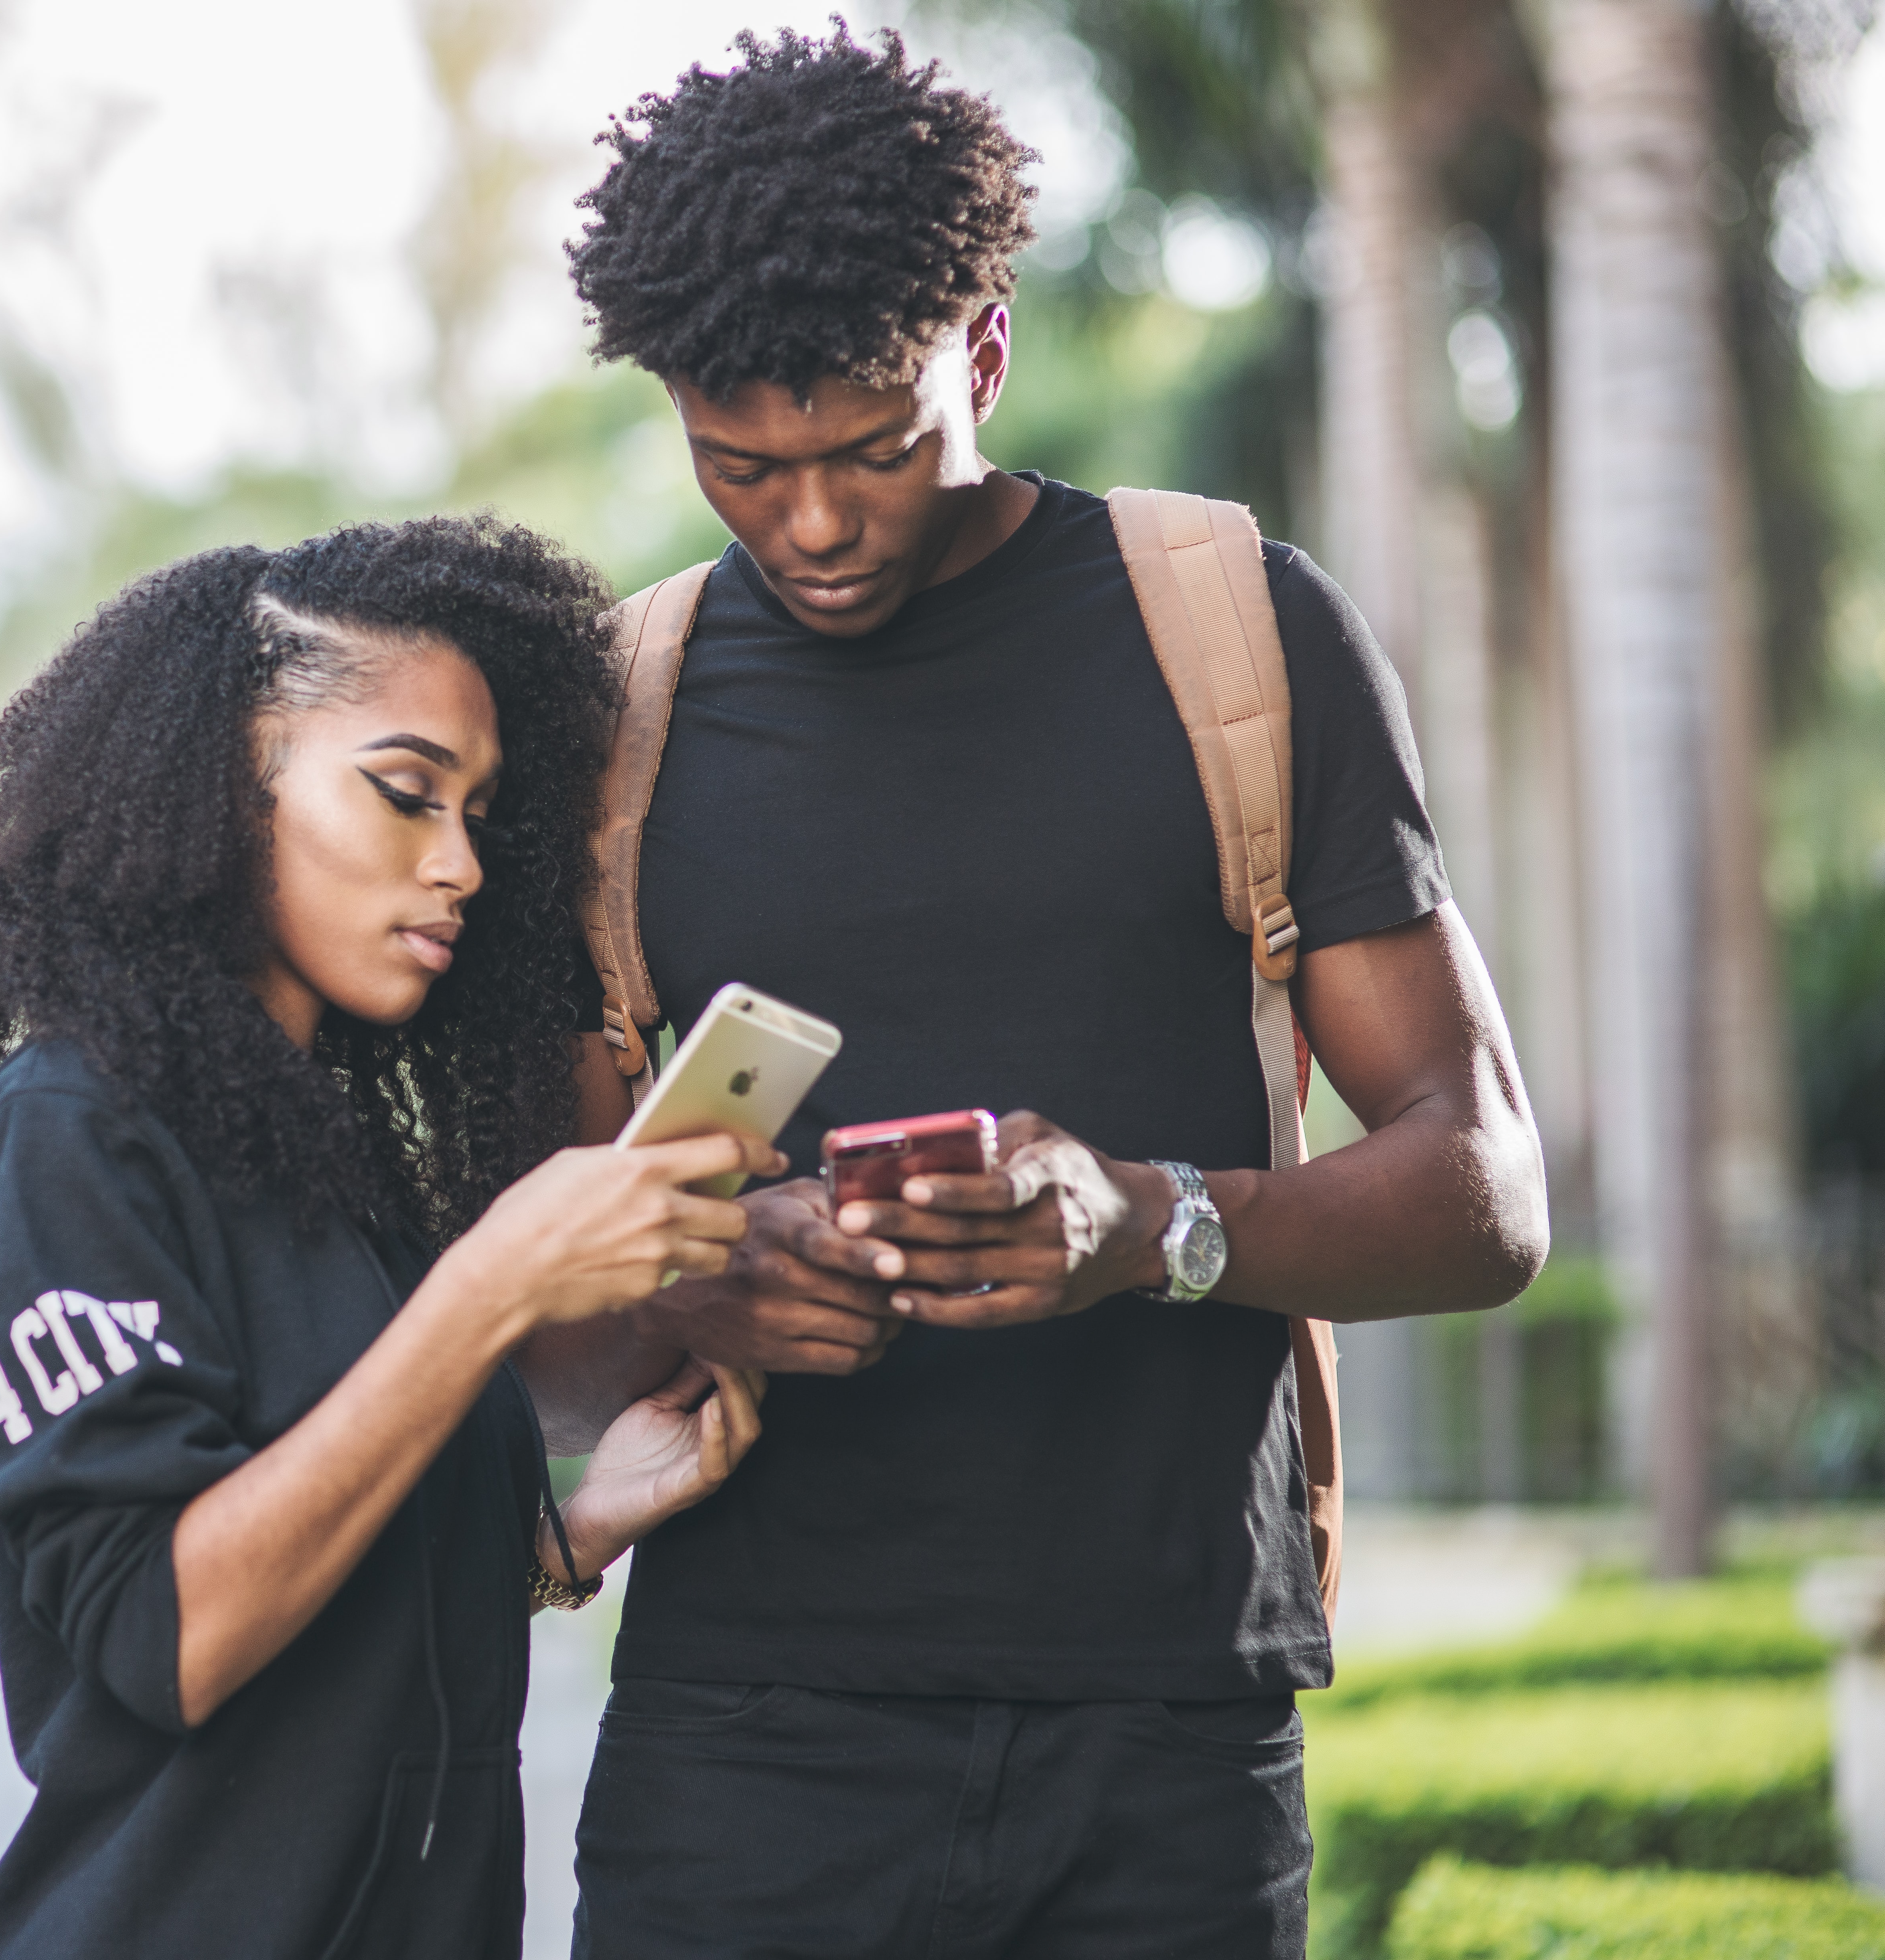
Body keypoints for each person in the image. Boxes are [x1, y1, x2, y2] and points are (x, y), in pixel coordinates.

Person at [520, 28, 1553, 1958]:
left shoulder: (1237, 631)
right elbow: (542, 1306)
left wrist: (1148, 1223)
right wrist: (705, 1273)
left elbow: (1486, 1195)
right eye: (741, 464)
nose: (812, 525)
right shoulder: (623, 721)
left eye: (873, 448)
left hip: (1169, 1735)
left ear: (982, 352)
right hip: (745, 1743)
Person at [0, 516, 782, 1960]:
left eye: (479, 817)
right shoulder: (67, 1135)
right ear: (224, 789)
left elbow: (345, 1599)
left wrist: (574, 1526)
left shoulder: (321, 1148)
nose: (462, 868)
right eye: (406, 795)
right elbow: (170, 1635)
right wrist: (489, 1292)